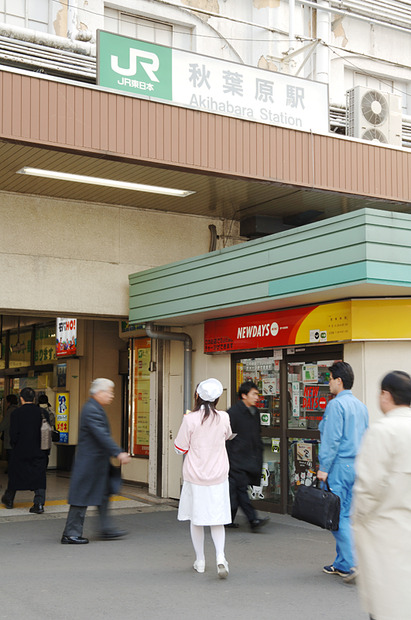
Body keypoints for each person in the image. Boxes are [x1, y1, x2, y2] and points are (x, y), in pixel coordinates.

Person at [353, 371, 411, 620]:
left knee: (386, 604)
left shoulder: (383, 430)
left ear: (386, 395)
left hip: (384, 532)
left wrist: (358, 519)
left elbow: (368, 487)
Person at [61, 378, 130, 545]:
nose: (112, 396)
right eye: (109, 392)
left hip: (97, 463)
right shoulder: (92, 409)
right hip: (89, 463)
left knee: (104, 494)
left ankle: (106, 529)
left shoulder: (95, 408)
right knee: (81, 498)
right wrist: (118, 452)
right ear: (99, 392)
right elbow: (101, 435)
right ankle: (70, 534)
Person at [174, 378, 232, 578]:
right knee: (217, 520)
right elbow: (227, 435)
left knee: (196, 519)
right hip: (218, 474)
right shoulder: (223, 417)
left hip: (195, 475)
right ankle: (220, 557)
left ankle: (200, 560)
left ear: (197, 396)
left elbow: (180, 447)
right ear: (217, 398)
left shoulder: (190, 419)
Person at [317, 361, 368, 582]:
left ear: (339, 381)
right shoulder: (361, 406)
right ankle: (341, 563)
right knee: (346, 514)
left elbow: (331, 439)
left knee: (335, 517)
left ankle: (352, 563)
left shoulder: (336, 406)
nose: (328, 383)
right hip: (357, 465)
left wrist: (323, 468)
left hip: (339, 466)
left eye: (329, 379)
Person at [226, 381, 269, 531]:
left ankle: (228, 519)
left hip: (249, 458)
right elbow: (227, 437)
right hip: (236, 459)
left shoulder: (254, 412)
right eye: (254, 394)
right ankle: (253, 520)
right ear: (244, 395)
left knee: (237, 490)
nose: (257, 397)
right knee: (241, 489)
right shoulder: (233, 413)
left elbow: (256, 434)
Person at [1, 387, 50, 514]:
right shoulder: (42, 412)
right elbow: (47, 432)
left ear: (21, 398)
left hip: (20, 451)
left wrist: (14, 446)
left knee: (15, 474)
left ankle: (9, 499)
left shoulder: (16, 413)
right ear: (34, 398)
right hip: (39, 451)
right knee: (39, 476)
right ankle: (39, 504)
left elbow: (13, 434)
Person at [0, 394, 18, 470]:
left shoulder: (10, 411)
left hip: (10, 437)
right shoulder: (18, 409)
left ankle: (11, 469)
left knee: (10, 454)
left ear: (9, 402)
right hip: (17, 437)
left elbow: (5, 424)